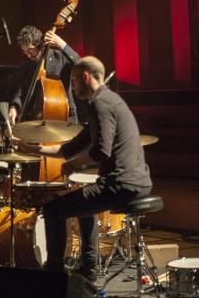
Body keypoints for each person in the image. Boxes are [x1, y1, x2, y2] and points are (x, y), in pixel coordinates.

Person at [16, 56, 152, 282]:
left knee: (52, 210)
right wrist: (28, 148)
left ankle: (54, 275)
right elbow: (69, 149)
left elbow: (101, 151)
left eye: (75, 81)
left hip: (121, 185)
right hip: (133, 183)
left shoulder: (101, 103)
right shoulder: (107, 102)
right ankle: (88, 267)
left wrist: (74, 165)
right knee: (84, 206)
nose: (73, 87)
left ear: (86, 77)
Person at [8, 25, 85, 124]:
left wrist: (62, 44)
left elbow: (82, 65)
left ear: (40, 44)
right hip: (38, 120)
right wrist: (14, 107)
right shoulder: (26, 67)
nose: (28, 54)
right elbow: (20, 92)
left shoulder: (59, 57)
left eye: (30, 49)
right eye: (25, 51)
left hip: (64, 117)